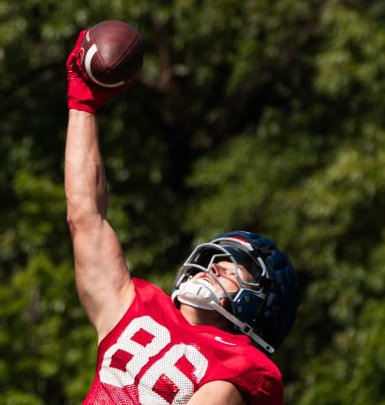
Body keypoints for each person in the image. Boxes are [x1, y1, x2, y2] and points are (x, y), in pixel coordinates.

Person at [64, 30, 300, 405]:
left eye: (234, 269)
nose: (215, 267)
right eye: (216, 259)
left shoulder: (248, 366)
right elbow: (85, 214)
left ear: (261, 307)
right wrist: (82, 102)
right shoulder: (137, 306)